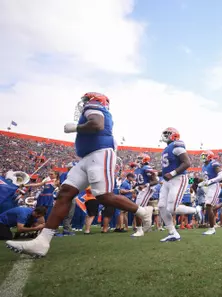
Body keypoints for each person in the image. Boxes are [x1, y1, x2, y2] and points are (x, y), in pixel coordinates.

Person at [5, 92, 153, 258]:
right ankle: (42, 241)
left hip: (100, 153)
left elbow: (97, 125)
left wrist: (76, 127)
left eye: (85, 100)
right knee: (65, 193)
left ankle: (142, 211)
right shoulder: (93, 109)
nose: (83, 104)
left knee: (103, 196)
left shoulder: (95, 107)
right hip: (87, 157)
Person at [157, 127, 202, 242]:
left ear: (174, 135)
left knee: (171, 208)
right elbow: (168, 167)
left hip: (178, 178)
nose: (165, 136)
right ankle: (173, 233)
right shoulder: (166, 149)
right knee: (161, 206)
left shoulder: (177, 144)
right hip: (168, 180)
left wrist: (172, 173)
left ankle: (196, 210)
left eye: (168, 133)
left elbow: (187, 162)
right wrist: (158, 173)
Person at [198, 150, 222, 235]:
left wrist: (211, 181)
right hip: (208, 187)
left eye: (204, 156)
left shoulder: (213, 163)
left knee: (209, 206)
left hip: (214, 186)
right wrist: (203, 183)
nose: (202, 158)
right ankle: (211, 227)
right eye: (202, 156)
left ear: (209, 156)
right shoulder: (204, 166)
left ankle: (212, 228)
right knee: (208, 207)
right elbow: (206, 179)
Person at [132, 154, 159, 237]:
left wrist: (145, 185)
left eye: (140, 159)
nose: (138, 160)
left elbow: (155, 181)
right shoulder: (137, 169)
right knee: (137, 209)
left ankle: (141, 229)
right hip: (141, 190)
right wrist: (135, 187)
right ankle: (143, 225)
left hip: (146, 189)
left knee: (137, 209)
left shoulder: (146, 168)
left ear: (145, 160)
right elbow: (139, 182)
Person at [55, 163, 76, 237]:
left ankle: (66, 230)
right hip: (66, 195)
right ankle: (55, 230)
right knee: (61, 213)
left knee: (69, 214)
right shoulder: (65, 174)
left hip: (71, 195)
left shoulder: (75, 175)